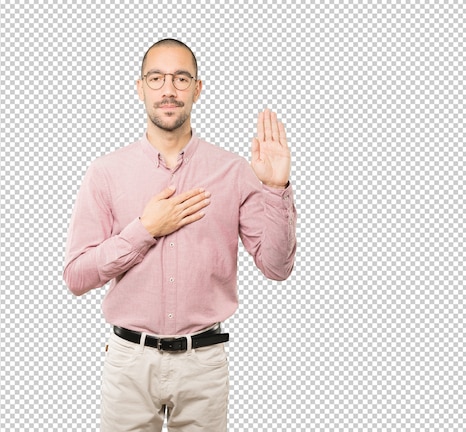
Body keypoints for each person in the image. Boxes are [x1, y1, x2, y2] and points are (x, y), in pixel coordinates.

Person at [63, 38, 297, 431]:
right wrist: (145, 230)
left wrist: (275, 188)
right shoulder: (105, 172)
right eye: (156, 78)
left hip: (204, 363)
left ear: (197, 88)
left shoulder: (233, 170)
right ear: (140, 88)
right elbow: (76, 276)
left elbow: (276, 268)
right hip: (128, 364)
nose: (168, 90)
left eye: (180, 78)